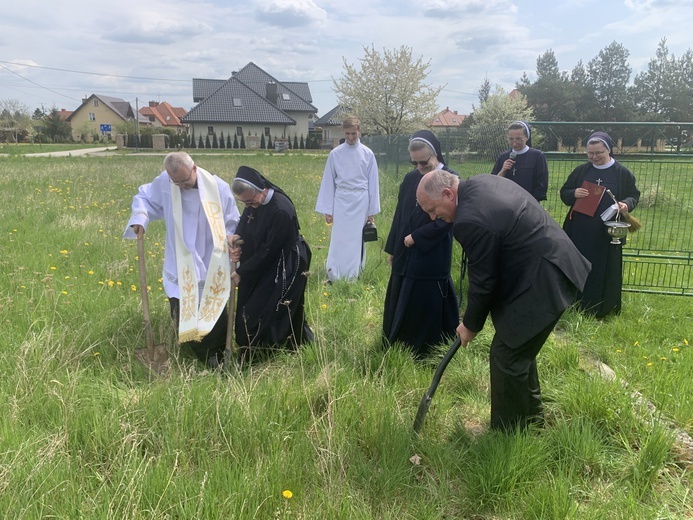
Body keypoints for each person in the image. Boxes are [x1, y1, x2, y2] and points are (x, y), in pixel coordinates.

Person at [416, 170, 591, 431]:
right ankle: (531, 421)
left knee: (507, 356)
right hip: (550, 265)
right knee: (518, 347)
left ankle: (508, 434)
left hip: (546, 276)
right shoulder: (480, 182)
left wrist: (469, 325)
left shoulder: (470, 219)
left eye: (432, 209)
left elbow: (483, 282)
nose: (432, 217)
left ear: (447, 193)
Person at [124, 152, 240, 369]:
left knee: (213, 310)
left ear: (194, 169)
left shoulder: (219, 188)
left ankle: (215, 354)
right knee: (181, 307)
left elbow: (232, 222)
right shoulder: (165, 183)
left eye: (186, 181)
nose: (182, 186)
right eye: (177, 183)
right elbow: (144, 197)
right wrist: (140, 217)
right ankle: (194, 351)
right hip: (179, 260)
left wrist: (233, 240)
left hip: (210, 260)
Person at [382, 130, 459, 359]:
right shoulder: (409, 178)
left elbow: (448, 219)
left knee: (425, 298)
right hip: (404, 249)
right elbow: (400, 215)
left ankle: (425, 348)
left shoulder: (450, 179)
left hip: (432, 251)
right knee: (401, 291)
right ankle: (398, 341)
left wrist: (417, 236)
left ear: (435, 155)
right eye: (413, 162)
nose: (419, 168)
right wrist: (393, 248)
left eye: (424, 163)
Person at [228, 166, 313, 364]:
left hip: (285, 261)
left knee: (268, 306)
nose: (249, 205)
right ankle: (263, 347)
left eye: (250, 201)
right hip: (261, 259)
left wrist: (242, 271)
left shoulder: (280, 210)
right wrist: (236, 238)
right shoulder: (253, 201)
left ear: (262, 189)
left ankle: (264, 353)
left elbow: (270, 251)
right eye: (245, 203)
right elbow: (245, 221)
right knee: (253, 301)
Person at [560, 131, 640, 318]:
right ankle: (575, 304)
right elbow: (564, 192)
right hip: (580, 230)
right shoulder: (581, 170)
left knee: (606, 268)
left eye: (599, 153)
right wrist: (574, 193)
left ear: (609, 150)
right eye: (590, 153)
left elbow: (634, 195)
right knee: (579, 265)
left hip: (609, 231)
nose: (594, 157)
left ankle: (604, 308)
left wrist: (626, 204)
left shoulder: (622, 173)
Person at [315, 116, 380, 282]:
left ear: (359, 131)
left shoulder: (368, 154)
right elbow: (329, 182)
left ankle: (354, 274)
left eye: (354, 133)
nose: (351, 137)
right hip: (341, 200)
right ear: (343, 132)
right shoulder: (335, 154)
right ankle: (335, 273)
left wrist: (371, 211)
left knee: (358, 238)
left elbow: (373, 183)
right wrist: (328, 210)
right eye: (347, 133)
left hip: (361, 201)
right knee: (339, 238)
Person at [491, 121, 548, 202]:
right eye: (511, 139)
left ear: (526, 137)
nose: (514, 143)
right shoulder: (503, 157)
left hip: (528, 204)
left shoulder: (537, 156)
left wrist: (530, 201)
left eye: (518, 139)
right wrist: (503, 170)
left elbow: (541, 184)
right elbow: (492, 183)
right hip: (505, 202)